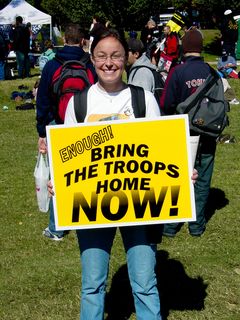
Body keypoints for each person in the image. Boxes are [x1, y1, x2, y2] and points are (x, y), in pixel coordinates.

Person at [64, 28, 162, 320]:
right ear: (92, 60)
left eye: (116, 56)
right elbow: (68, 156)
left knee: (145, 284)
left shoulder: (144, 99)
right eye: (102, 56)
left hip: (139, 203)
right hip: (92, 205)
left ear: (126, 59)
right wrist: (60, 182)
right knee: (92, 285)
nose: (109, 62)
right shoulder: (79, 103)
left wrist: (181, 174)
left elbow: (160, 151)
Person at [36, 23, 96, 241]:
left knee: (58, 178)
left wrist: (42, 131)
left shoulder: (52, 65)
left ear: (63, 41)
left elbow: (42, 100)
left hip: (57, 123)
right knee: (88, 172)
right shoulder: (89, 65)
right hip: (85, 124)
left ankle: (56, 228)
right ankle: (88, 219)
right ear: (83, 42)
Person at [160, 29, 215, 237]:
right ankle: (196, 225)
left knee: (177, 177)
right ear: (201, 48)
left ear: (184, 47)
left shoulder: (178, 72)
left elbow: (165, 103)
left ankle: (170, 226)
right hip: (208, 129)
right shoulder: (211, 72)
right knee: (203, 178)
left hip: (183, 131)